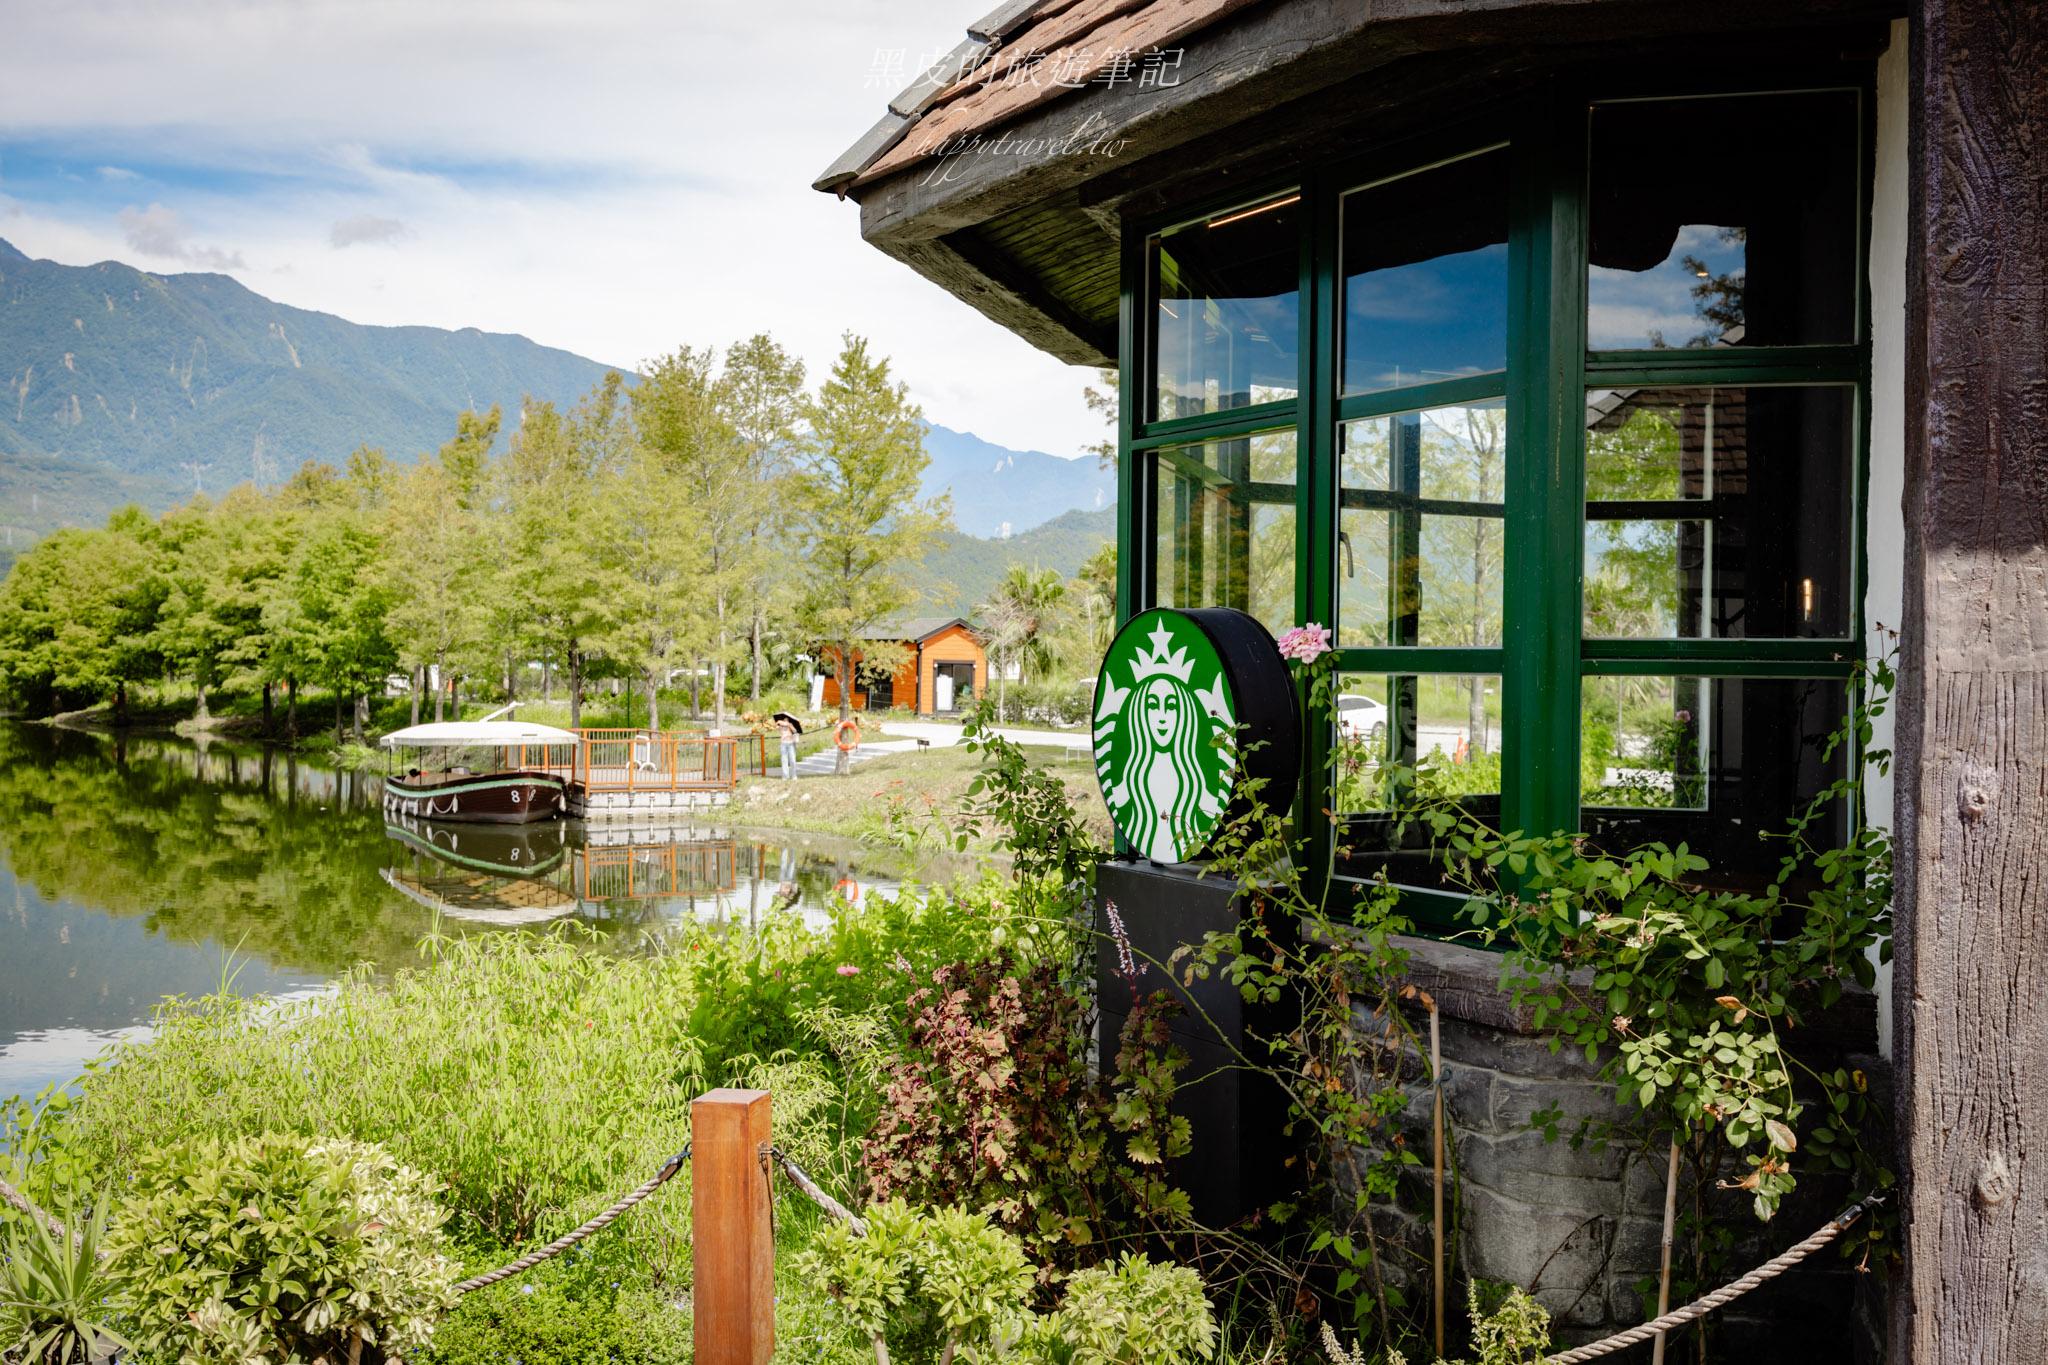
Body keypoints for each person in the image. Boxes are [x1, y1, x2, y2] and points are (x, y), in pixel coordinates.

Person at [776, 714, 800, 781]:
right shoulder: (780, 726)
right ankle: (785, 776)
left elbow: (795, 731)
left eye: (787, 720)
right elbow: (775, 726)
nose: (785, 721)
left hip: (791, 743)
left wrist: (789, 725)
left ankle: (794, 775)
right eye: (784, 720)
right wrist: (779, 723)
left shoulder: (790, 725)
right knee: (784, 760)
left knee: (792, 760)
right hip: (783, 744)